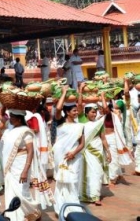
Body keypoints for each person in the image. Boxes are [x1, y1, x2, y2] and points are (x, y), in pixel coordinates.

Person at [0, 108, 53, 221]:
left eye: (12, 117)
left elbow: (30, 151)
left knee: (22, 192)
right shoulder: (10, 130)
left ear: (19, 119)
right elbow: (1, 120)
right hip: (11, 166)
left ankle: (33, 212)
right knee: (11, 190)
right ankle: (14, 216)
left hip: (21, 163)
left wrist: (25, 170)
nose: (10, 119)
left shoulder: (25, 131)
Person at [52, 85, 85, 217]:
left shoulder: (79, 126)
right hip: (61, 156)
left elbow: (82, 144)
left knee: (73, 180)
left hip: (74, 157)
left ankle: (73, 207)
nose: (76, 112)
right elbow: (58, 108)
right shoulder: (60, 122)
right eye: (73, 111)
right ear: (67, 112)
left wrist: (73, 153)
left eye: (76, 110)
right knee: (61, 181)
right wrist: (64, 93)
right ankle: (60, 207)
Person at [77, 88, 111, 206]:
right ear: (86, 113)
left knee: (97, 173)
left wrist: (108, 152)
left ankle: (96, 196)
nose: (94, 114)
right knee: (84, 173)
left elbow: (103, 138)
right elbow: (80, 104)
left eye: (95, 112)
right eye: (92, 112)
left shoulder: (99, 123)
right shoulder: (81, 119)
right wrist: (81, 89)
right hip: (84, 151)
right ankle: (84, 195)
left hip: (96, 152)